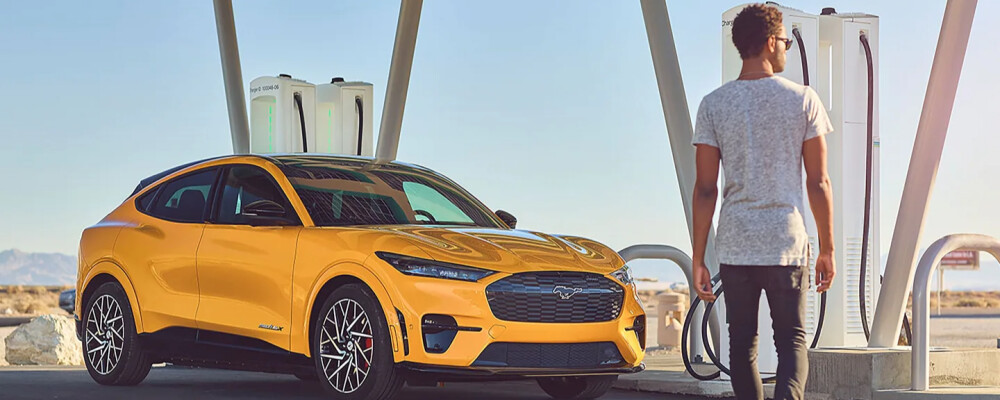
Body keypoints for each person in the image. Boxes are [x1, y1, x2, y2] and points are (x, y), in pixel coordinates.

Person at [689, 4, 836, 400]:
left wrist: (698, 256)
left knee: (742, 346)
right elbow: (818, 181)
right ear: (771, 42)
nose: (787, 47)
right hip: (786, 243)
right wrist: (827, 248)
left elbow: (705, 188)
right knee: (791, 341)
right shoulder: (804, 100)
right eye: (785, 40)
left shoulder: (714, 105)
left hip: (736, 244)